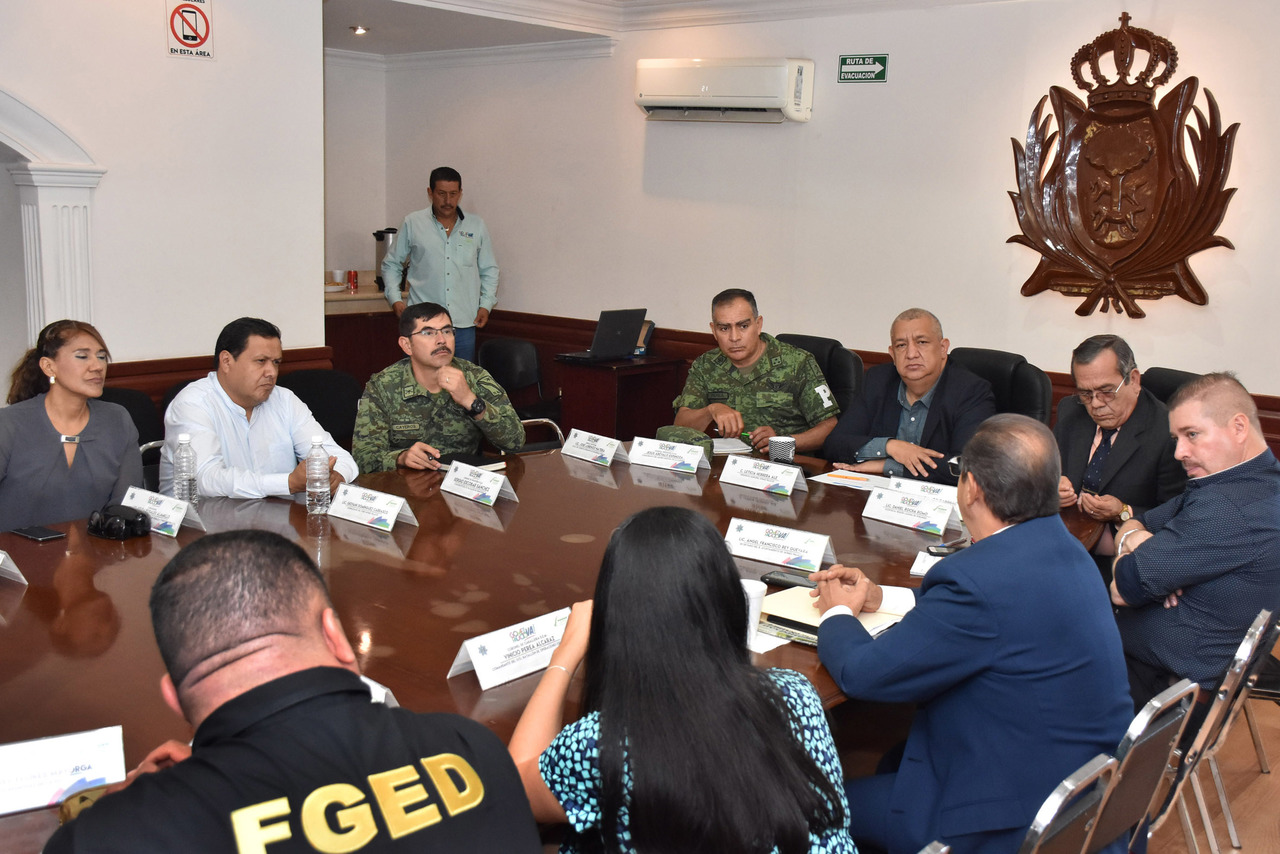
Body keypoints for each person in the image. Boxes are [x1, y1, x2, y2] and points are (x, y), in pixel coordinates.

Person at [43, 529, 541, 853]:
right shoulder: (472, 749)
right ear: (337, 636)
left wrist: (122, 802)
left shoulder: (117, 836)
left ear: (174, 697)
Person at [811, 414, 1132, 854]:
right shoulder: (1066, 549)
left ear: (971, 488)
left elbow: (863, 674)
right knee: (888, 759)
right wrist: (880, 596)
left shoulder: (977, 579)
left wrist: (836, 614)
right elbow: (989, 611)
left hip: (1002, 821)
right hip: (1084, 799)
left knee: (805, 808)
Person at [507, 506, 855, 854]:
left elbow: (514, 787)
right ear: (728, 600)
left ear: (617, 619)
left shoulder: (602, 744)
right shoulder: (796, 692)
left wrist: (565, 653)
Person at [1111, 372, 1280, 711]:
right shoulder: (1243, 482)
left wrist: (1131, 550)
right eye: (1176, 438)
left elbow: (1121, 588)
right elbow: (1138, 521)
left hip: (1164, 693)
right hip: (1175, 667)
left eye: (1192, 435)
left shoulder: (1228, 508)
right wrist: (1139, 540)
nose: (1179, 452)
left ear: (1239, 427)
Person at [160, 318, 358, 498]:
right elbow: (206, 480)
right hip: (204, 522)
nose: (272, 372)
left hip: (275, 519)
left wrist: (337, 477)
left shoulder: (284, 400)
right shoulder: (192, 404)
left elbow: (340, 457)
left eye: (276, 362)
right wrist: (288, 483)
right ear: (226, 361)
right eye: (261, 361)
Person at [1054, 335, 1186, 584]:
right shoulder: (1071, 411)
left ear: (1133, 380)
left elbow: (1179, 512)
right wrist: (1051, 488)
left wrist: (1124, 512)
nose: (1095, 404)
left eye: (1106, 392)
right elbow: (1042, 471)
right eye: (1086, 393)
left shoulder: (1168, 432)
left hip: (1121, 561)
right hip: (1063, 542)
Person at [822, 308, 995, 485]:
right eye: (901, 345)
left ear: (943, 348)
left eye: (922, 342)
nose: (911, 354)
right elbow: (834, 444)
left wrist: (887, 465)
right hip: (879, 494)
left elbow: (966, 467)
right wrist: (891, 446)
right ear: (892, 354)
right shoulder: (877, 380)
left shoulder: (971, 391)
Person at [0, 319, 142, 529]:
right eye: (82, 356)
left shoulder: (117, 419)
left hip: (98, 547)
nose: (97, 366)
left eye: (101, 357)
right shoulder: (9, 423)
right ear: (49, 366)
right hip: (16, 548)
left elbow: (126, 505)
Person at [352, 302, 524, 473]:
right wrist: (401, 458)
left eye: (447, 331)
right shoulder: (383, 386)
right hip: (407, 483)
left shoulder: (475, 377)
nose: (442, 340)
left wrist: (471, 401)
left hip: (463, 481)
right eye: (428, 333)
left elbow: (515, 442)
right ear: (407, 345)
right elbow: (363, 459)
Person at [672, 289, 840, 453]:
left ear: (758, 325)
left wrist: (781, 443)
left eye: (743, 326)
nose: (734, 337)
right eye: (724, 328)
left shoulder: (797, 362)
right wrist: (711, 410)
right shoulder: (706, 365)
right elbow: (680, 426)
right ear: (713, 330)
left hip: (786, 464)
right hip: (727, 464)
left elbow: (829, 427)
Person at [382, 166, 498, 363]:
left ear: (460, 193)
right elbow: (391, 264)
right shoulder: (413, 223)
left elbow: (490, 270)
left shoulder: (476, 225)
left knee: (460, 379)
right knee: (420, 380)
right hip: (422, 325)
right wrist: (395, 299)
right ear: (430, 193)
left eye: (453, 194)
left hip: (463, 325)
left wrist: (486, 305)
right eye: (442, 194)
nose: (448, 200)